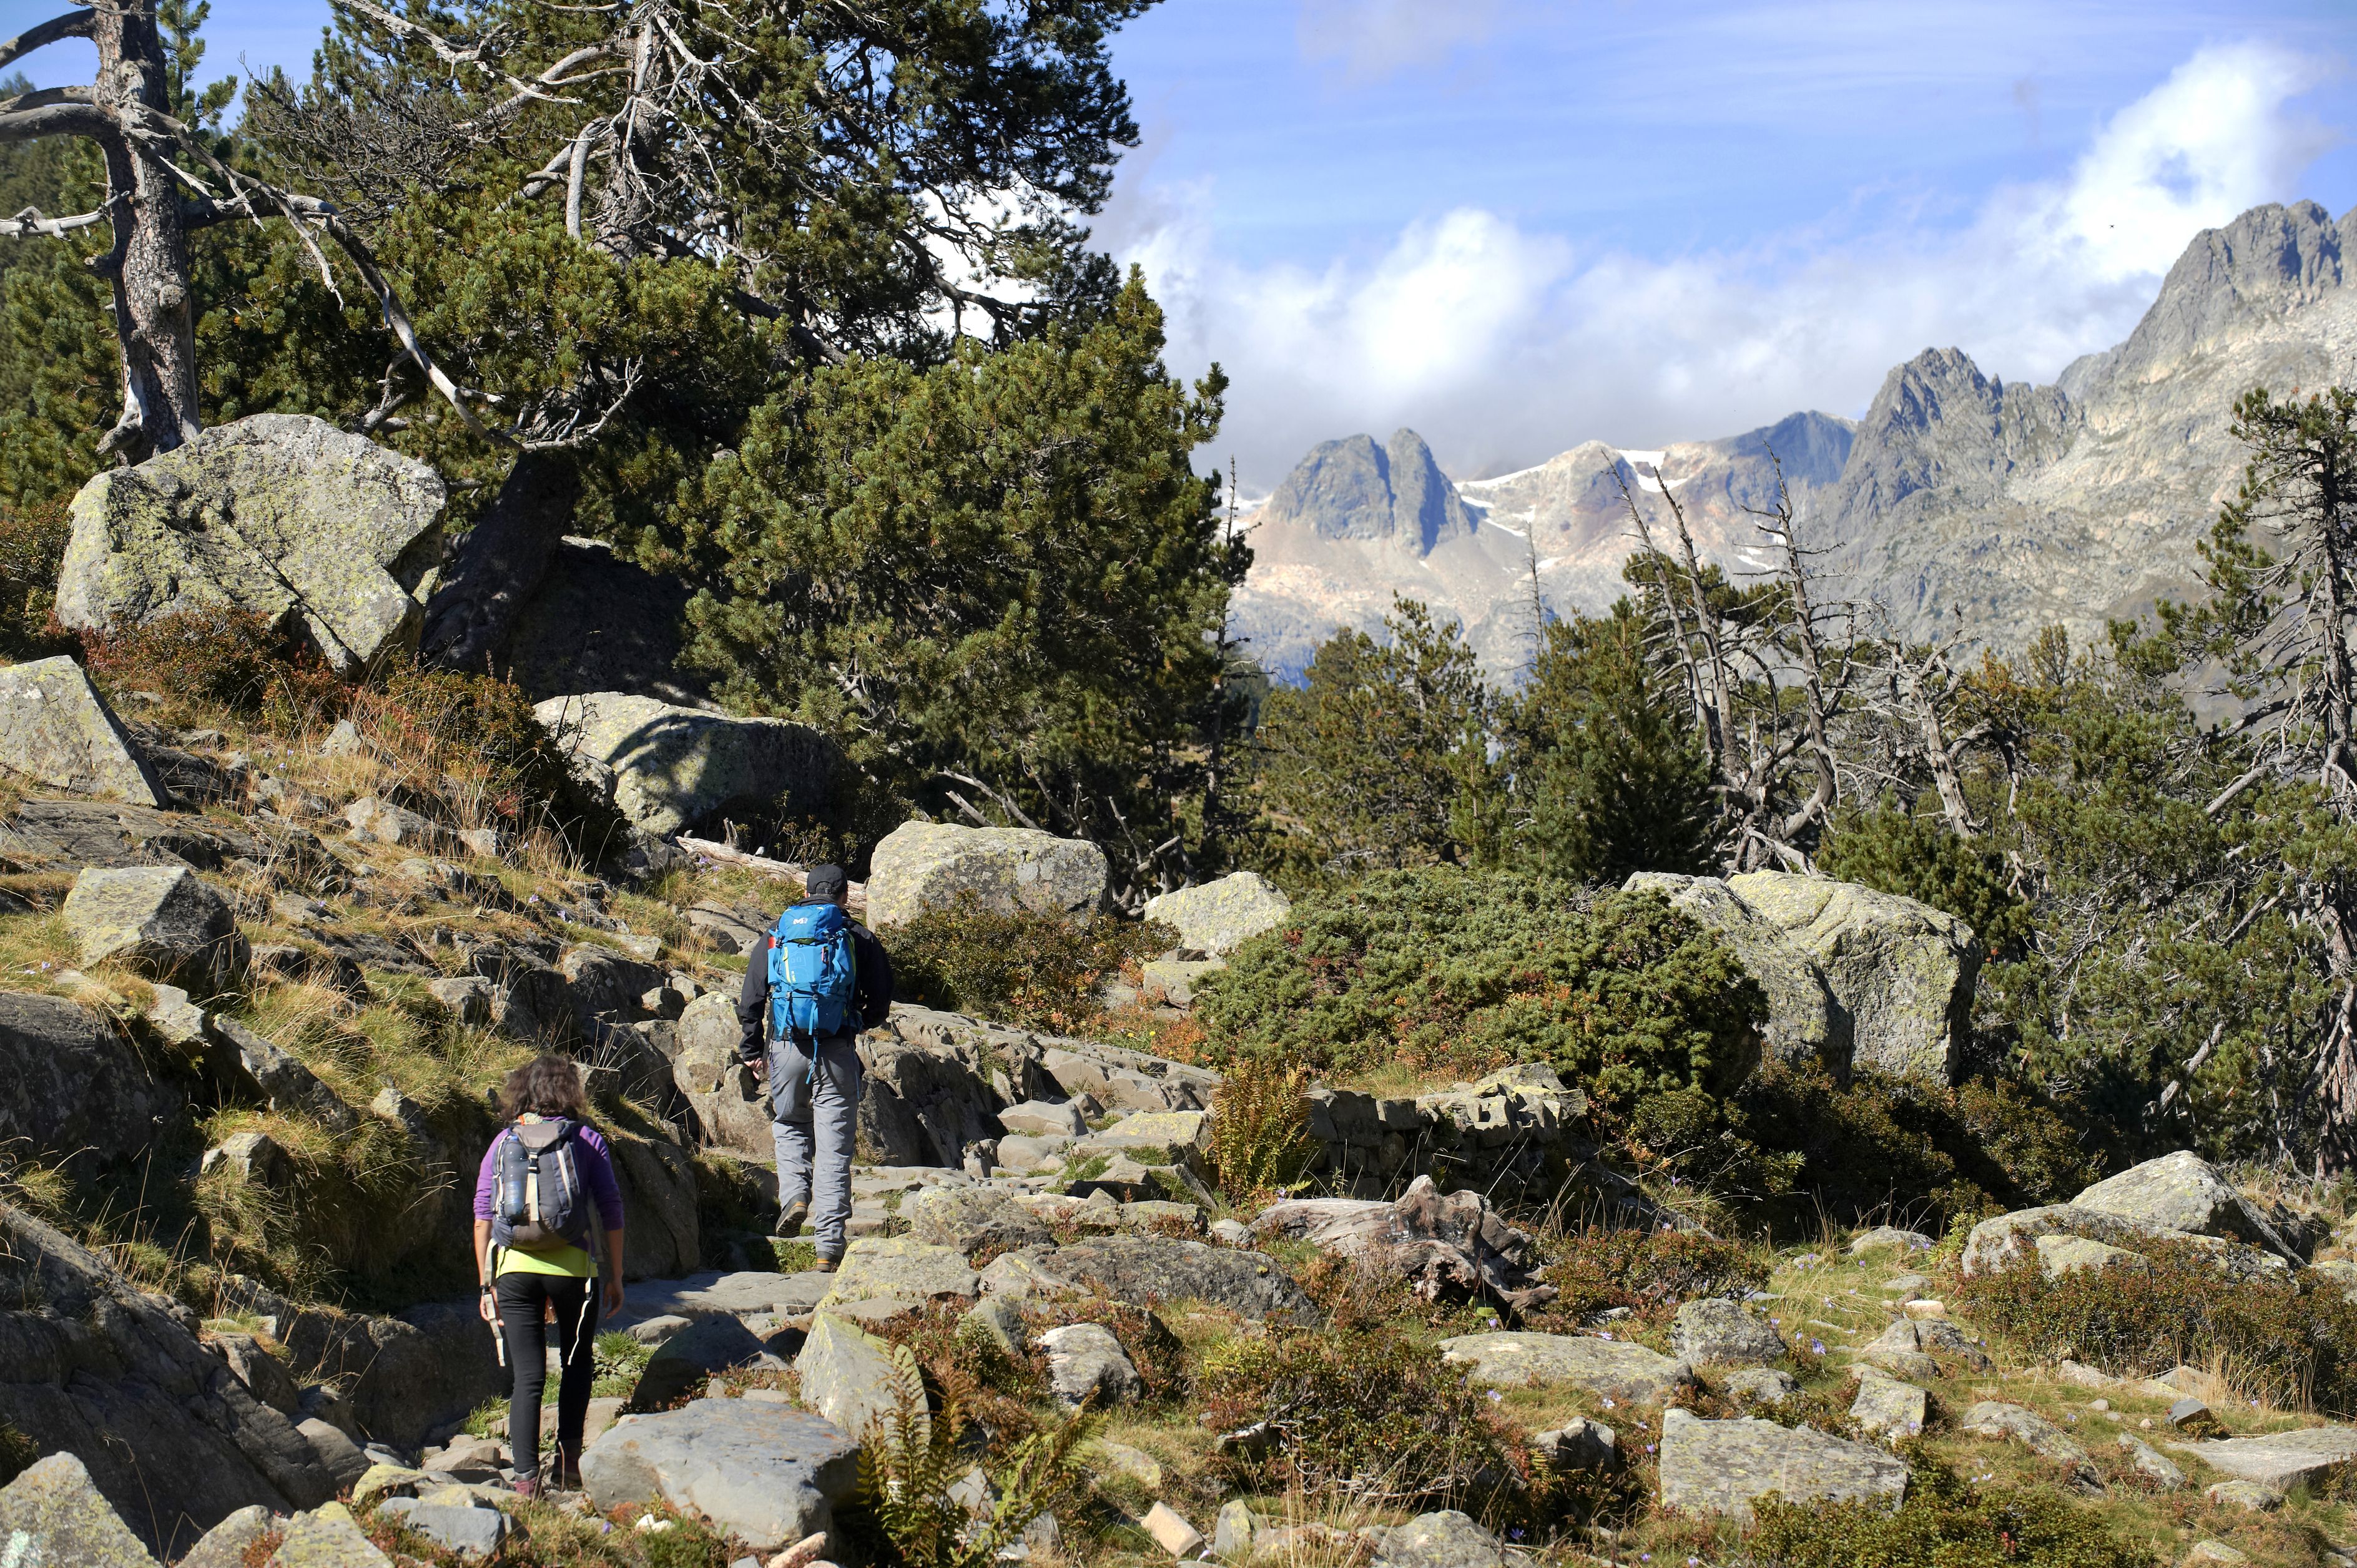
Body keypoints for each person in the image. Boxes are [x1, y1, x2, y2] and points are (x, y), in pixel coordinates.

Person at [471, 1054, 624, 1497]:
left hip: (515, 1271)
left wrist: (486, 1283)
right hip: (575, 1271)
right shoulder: (586, 1139)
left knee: (528, 1376)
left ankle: (523, 1480)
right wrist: (614, 1274)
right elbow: (611, 1209)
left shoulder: (503, 1142)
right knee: (576, 1365)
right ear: (570, 1092)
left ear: (522, 1090)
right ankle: (568, 1465)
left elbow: (483, 1215)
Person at [737, 863, 893, 1270]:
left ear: (806, 892)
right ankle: (827, 1249)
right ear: (844, 896)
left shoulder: (778, 932)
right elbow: (880, 1002)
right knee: (834, 1151)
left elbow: (751, 997)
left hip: (786, 1048)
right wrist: (857, 1018)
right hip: (837, 1050)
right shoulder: (858, 936)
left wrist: (752, 1049)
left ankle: (795, 1197)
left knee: (789, 1125)